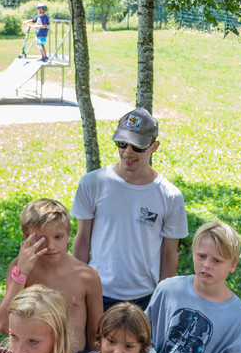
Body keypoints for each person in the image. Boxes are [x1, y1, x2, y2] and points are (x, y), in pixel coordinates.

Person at [71, 108, 189, 310]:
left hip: (145, 298)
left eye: (138, 146)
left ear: (154, 147)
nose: (128, 152)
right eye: (122, 143)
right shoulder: (92, 183)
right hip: (97, 292)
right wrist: (77, 287)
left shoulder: (170, 195)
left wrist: (162, 299)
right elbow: (82, 240)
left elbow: (169, 255)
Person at [143, 220, 241, 353]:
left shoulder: (239, 319)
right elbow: (140, 335)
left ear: (233, 265)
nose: (207, 264)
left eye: (217, 260)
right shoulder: (167, 290)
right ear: (193, 255)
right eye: (202, 256)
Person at [0, 198, 103, 353]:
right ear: (26, 236)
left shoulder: (87, 276)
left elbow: (96, 337)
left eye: (58, 237)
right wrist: (22, 273)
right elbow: (4, 325)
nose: (51, 246)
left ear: (69, 234)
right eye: (41, 239)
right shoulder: (18, 269)